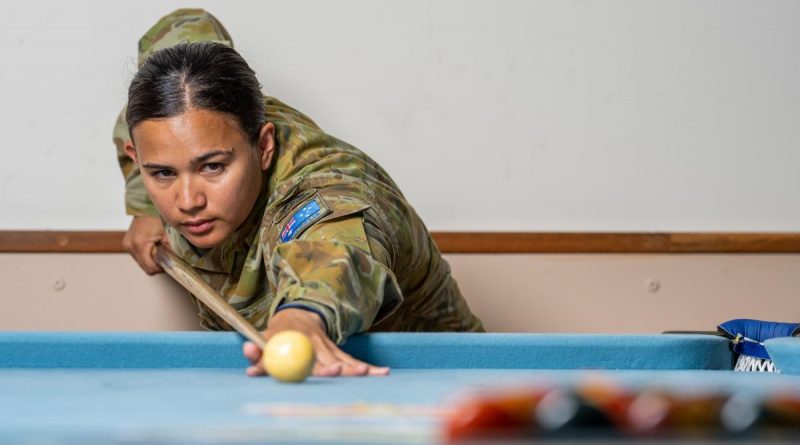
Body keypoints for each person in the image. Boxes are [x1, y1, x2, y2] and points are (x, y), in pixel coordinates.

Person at [113, 9, 484, 377]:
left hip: (431, 377)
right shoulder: (180, 100)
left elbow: (336, 249)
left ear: (264, 146)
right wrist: (144, 207)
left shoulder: (318, 187)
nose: (188, 202)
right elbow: (181, 34)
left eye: (212, 167)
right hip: (284, 379)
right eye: (162, 172)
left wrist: (302, 317)